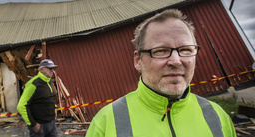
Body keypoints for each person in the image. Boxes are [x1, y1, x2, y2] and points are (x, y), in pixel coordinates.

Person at [86, 9, 236, 137]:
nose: (176, 61)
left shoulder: (219, 117)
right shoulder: (104, 123)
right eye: (161, 51)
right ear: (138, 60)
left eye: (185, 50)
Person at [17, 59, 58, 137]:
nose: (52, 70)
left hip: (51, 123)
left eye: (53, 68)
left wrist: (55, 107)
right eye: (49, 68)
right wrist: (33, 124)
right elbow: (21, 106)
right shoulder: (33, 84)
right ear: (41, 69)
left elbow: (49, 97)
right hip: (39, 125)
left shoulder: (49, 81)